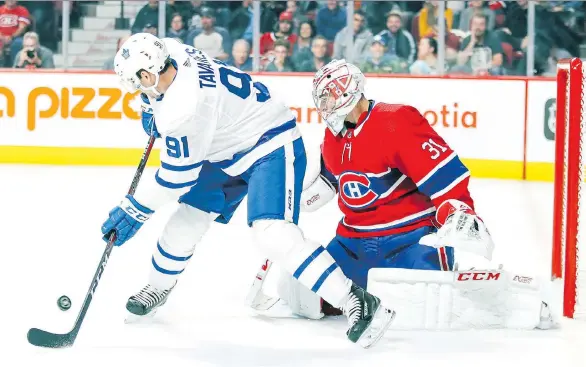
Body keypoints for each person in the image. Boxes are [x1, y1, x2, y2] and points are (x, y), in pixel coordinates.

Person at [102, 33, 394, 348]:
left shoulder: (184, 110)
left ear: (148, 74)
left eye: (137, 83)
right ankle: (157, 287)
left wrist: (135, 208)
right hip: (224, 141)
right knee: (187, 219)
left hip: (270, 143)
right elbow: (164, 94)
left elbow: (176, 177)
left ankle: (356, 300)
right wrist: (152, 105)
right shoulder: (170, 49)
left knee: (272, 234)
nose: (136, 91)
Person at [270, 59, 556, 331]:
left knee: (434, 298)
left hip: (407, 239)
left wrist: (459, 213)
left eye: (328, 97)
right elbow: (329, 186)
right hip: (352, 245)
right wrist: (289, 201)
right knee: (300, 292)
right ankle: (371, 292)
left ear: (345, 92)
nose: (324, 105)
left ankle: (518, 303)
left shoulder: (395, 121)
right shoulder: (332, 138)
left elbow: (445, 177)